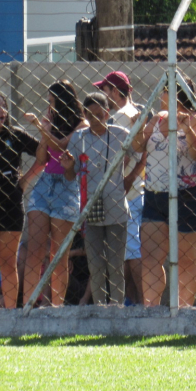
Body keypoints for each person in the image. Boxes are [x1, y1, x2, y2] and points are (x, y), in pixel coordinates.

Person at [132, 72, 196, 308]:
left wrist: (187, 128)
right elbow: (138, 146)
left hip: (189, 195)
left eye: (163, 91)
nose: (159, 95)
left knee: (185, 259)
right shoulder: (157, 118)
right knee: (150, 258)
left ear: (176, 94)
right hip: (156, 195)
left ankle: (183, 312)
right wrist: (138, 127)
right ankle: (151, 311)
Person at [60, 93, 132, 305]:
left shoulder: (121, 134)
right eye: (90, 116)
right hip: (90, 208)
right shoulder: (78, 138)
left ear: (107, 113)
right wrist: (67, 167)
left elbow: (139, 155)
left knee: (116, 264)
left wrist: (127, 181)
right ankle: (100, 309)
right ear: (84, 115)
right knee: (96, 264)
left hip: (117, 208)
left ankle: (117, 307)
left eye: (99, 115)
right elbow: (71, 175)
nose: (95, 120)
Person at [0, 92, 42, 308]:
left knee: (8, 262)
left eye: (4, 106)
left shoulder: (15, 135)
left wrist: (25, 180)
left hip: (10, 205)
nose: (3, 111)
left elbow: (44, 155)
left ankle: (11, 314)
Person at [23, 80, 85, 306]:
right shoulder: (50, 122)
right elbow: (42, 158)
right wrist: (45, 130)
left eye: (52, 102)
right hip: (44, 185)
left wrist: (41, 127)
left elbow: (60, 147)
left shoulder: (81, 124)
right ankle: (30, 305)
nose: (49, 106)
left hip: (67, 187)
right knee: (34, 252)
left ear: (63, 100)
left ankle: (56, 310)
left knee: (58, 257)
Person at [95, 71, 145, 305]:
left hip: (129, 192)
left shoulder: (121, 117)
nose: (103, 96)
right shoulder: (133, 113)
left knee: (133, 251)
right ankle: (134, 302)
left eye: (105, 90)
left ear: (115, 91)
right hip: (133, 190)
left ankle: (144, 303)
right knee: (128, 251)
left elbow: (116, 156)